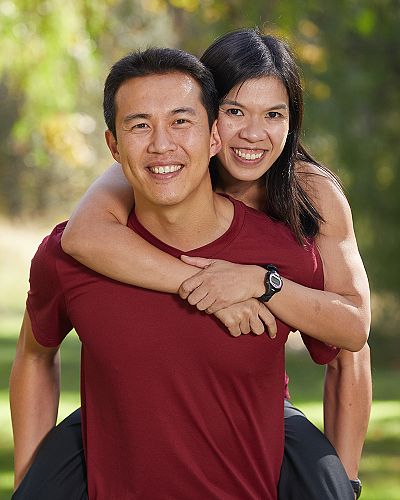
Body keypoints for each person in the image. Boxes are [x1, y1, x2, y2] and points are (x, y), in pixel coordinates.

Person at [10, 30, 371, 498]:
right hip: (130, 415)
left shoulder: (310, 195)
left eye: (274, 114)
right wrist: (205, 284)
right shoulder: (156, 162)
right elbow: (82, 238)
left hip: (257, 408)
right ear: (213, 120)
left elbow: (351, 338)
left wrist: (262, 282)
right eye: (235, 111)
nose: (253, 134)